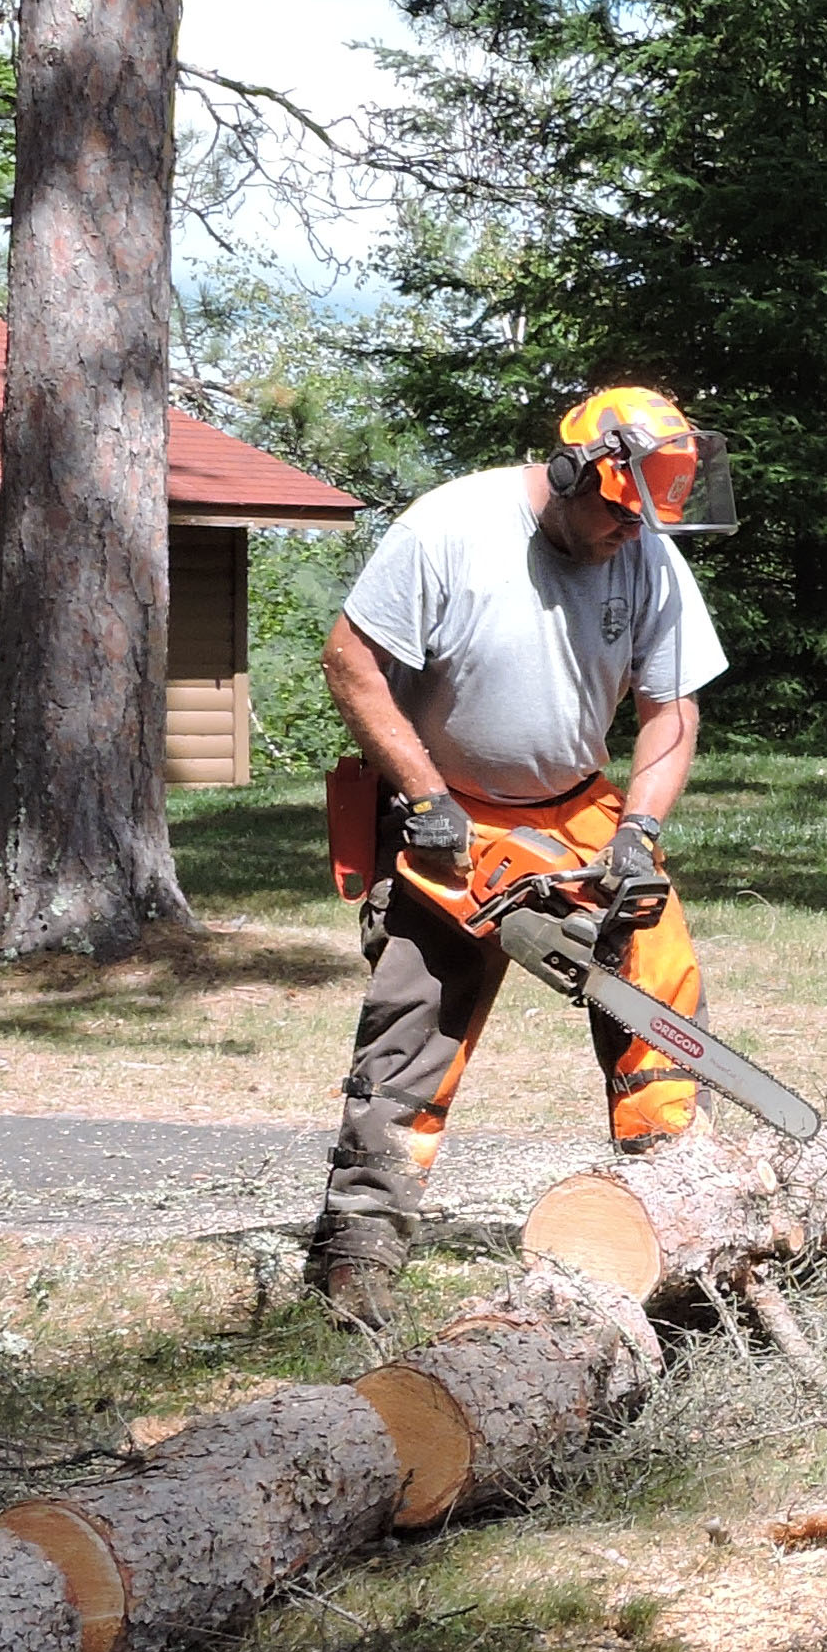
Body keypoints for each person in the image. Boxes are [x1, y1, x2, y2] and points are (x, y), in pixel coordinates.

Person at [304, 386, 735, 1324]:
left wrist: (640, 832)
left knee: (657, 985)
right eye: (621, 514)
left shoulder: (649, 557)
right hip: (448, 811)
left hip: (579, 806)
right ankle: (358, 1248)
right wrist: (423, 796)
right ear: (576, 477)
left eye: (649, 520)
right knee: (416, 1019)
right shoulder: (449, 529)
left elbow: (672, 711)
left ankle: (677, 1208)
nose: (635, 535)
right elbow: (350, 660)